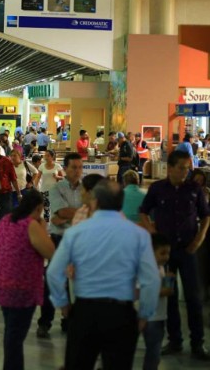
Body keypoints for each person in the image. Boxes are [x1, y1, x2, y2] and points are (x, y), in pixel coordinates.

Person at [47, 180, 161, 370]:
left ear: (95, 202)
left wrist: (64, 305)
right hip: (121, 314)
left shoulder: (75, 233)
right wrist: (144, 315)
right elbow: (151, 280)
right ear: (121, 202)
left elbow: (53, 273)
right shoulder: (138, 235)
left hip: (85, 312)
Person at [140, 149, 210, 360]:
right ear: (169, 168)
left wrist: (199, 239)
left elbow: (206, 216)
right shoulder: (157, 189)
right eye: (181, 168)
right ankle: (175, 340)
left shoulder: (194, 189)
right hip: (166, 255)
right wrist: (153, 233)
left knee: (193, 297)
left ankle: (198, 343)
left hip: (188, 251)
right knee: (169, 296)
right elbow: (143, 212)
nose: (185, 172)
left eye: (187, 168)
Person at [0, 190, 55, 370]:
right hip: (22, 288)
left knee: (11, 333)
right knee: (15, 337)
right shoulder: (31, 225)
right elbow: (50, 252)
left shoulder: (6, 220)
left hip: (3, 284)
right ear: (38, 208)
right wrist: (43, 228)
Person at [37, 153, 83, 338]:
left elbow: (65, 215)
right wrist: (84, 212)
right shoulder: (57, 188)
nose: (77, 171)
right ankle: (45, 322)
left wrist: (66, 215)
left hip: (80, 241)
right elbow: (60, 213)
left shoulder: (87, 189)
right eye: (74, 167)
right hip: (59, 239)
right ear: (65, 168)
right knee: (52, 279)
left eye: (80, 167)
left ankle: (69, 320)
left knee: (76, 281)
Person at [142, 233, 174, 370]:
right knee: (153, 353)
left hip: (159, 316)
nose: (166, 257)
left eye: (168, 253)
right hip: (151, 318)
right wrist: (167, 285)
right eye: (162, 253)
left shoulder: (160, 267)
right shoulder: (146, 269)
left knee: (154, 352)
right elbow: (145, 292)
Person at [38, 150, 64, 222]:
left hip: (55, 191)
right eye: (45, 155)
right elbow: (38, 177)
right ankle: (46, 226)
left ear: (52, 157)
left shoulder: (57, 166)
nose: (46, 157)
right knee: (46, 210)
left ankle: (56, 224)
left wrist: (57, 177)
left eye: (48, 156)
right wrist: (35, 187)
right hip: (44, 190)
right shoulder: (41, 166)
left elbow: (64, 178)